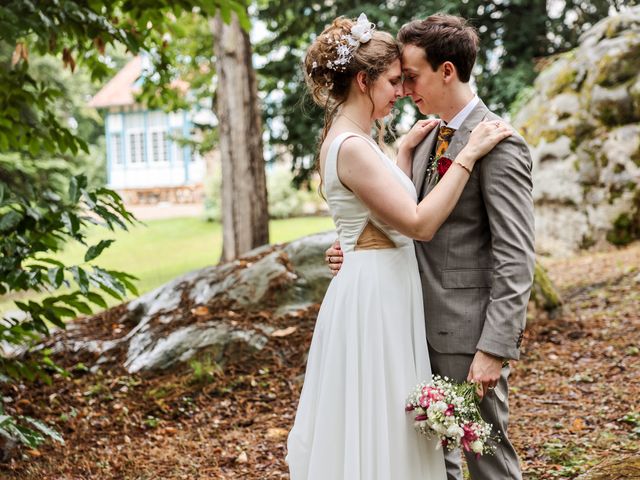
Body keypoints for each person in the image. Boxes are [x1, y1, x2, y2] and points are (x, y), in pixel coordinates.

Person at [287, 13, 513, 480]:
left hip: (394, 294)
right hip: (376, 302)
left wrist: (404, 157)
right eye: (394, 81)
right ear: (364, 81)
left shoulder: (363, 141)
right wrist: (467, 157)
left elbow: (377, 209)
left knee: (400, 426)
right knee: (382, 425)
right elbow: (416, 224)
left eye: (406, 79)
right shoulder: (351, 145)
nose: (402, 91)